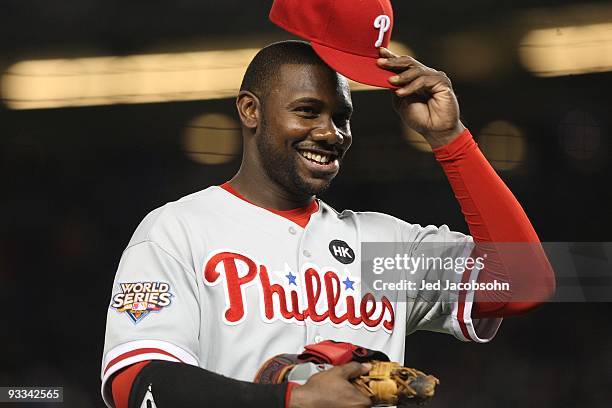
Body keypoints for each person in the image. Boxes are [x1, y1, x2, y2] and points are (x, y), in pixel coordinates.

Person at [100, 38, 555, 408]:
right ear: (250, 110)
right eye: (307, 111)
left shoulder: (385, 246)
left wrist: (450, 140)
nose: (330, 133)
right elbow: (137, 385)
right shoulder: (180, 230)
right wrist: (292, 400)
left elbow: (525, 283)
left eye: (342, 118)